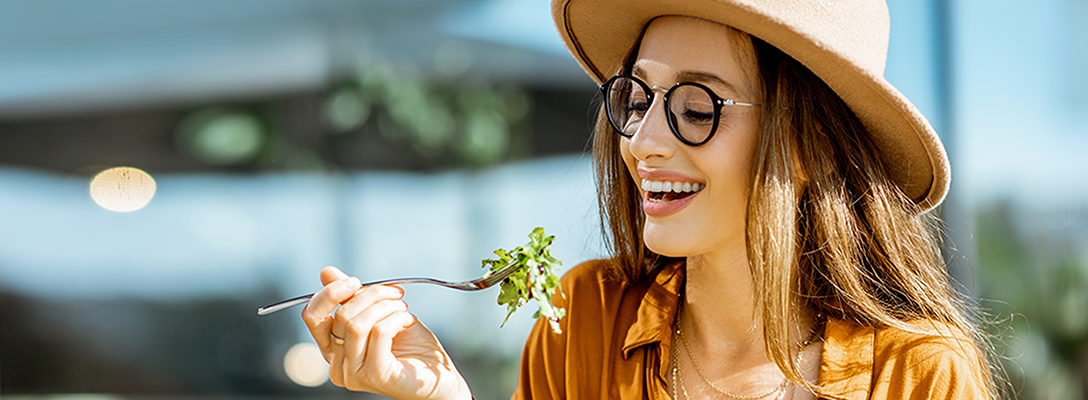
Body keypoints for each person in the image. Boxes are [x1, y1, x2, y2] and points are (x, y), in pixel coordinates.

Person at [300, 0, 1001, 399]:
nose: (643, 141)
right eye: (637, 97)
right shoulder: (582, 323)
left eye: (697, 105)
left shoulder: (921, 374)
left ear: (806, 143)